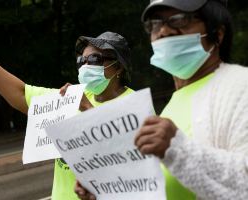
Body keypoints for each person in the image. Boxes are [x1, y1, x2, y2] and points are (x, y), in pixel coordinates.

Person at [75, 0, 248, 200]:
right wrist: (106, 190)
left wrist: (177, 148)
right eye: (155, 24)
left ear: (217, 34)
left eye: (180, 19)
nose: (164, 31)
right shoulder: (174, 104)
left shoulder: (239, 86)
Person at [0, 16, 133, 200]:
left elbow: (132, 162)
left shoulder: (133, 104)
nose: (85, 66)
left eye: (94, 59)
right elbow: (20, 94)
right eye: (81, 61)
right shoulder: (72, 98)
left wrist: (87, 109)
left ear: (118, 67)